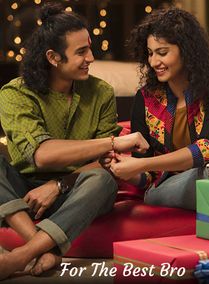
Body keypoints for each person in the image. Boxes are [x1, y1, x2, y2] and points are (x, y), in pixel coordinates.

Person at [0, 2, 149, 280]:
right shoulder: (14, 94)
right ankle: (42, 247)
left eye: (89, 48)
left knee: (103, 181)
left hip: (78, 189)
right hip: (25, 192)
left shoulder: (101, 92)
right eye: (81, 52)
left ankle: (22, 254)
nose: (91, 58)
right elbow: (41, 154)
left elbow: (106, 164)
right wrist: (113, 142)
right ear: (53, 58)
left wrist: (57, 185)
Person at [106, 8, 209, 210]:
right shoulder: (145, 98)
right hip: (165, 188)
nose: (154, 62)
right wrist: (125, 169)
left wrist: (139, 165)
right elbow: (147, 178)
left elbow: (207, 149)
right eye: (150, 53)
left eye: (162, 53)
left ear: (186, 50)